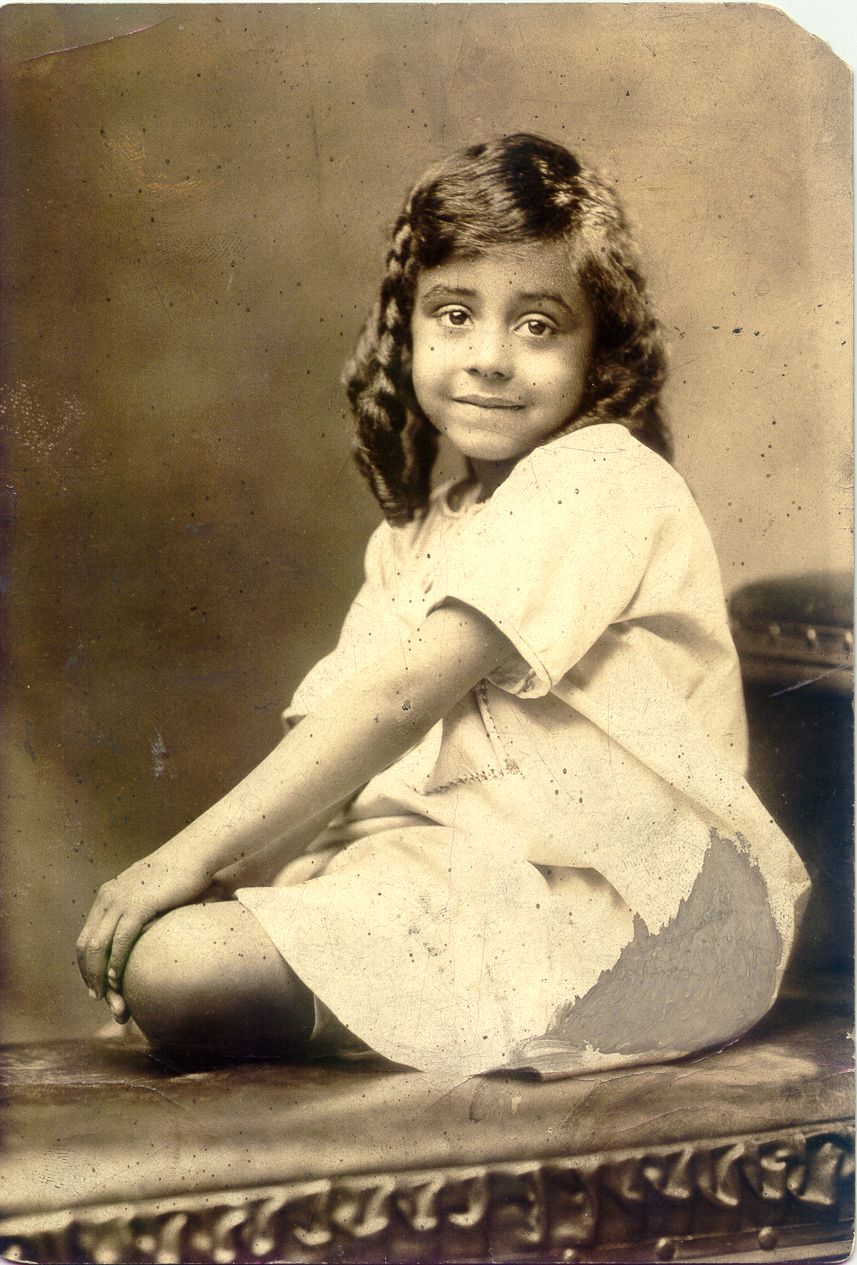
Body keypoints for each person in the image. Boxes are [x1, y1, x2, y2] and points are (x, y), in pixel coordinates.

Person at [76, 134, 810, 1081]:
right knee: (179, 951)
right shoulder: (420, 532)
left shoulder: (600, 480)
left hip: (634, 913)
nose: (491, 358)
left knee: (179, 963)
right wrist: (258, 885)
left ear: (600, 351)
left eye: (538, 325)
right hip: (459, 878)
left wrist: (177, 859)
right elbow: (341, 755)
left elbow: (399, 696)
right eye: (455, 314)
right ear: (407, 332)